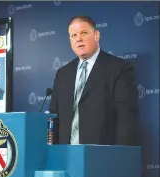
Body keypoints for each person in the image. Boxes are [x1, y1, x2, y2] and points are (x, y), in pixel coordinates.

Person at [49, 16, 139, 145]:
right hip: (66, 156)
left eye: (84, 33)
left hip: (102, 155)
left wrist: (119, 156)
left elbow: (126, 119)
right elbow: (54, 118)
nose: (78, 39)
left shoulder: (118, 69)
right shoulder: (63, 74)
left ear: (96, 35)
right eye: (74, 35)